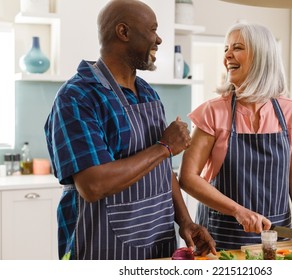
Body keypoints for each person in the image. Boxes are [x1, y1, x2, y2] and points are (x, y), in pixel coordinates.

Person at [44, 0, 216, 260]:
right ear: (123, 32)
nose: (159, 39)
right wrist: (164, 147)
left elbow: (162, 167)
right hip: (102, 249)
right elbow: (93, 185)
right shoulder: (77, 96)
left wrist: (185, 221)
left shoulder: (147, 92)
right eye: (153, 29)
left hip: (158, 242)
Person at [179, 23, 292, 250]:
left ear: (262, 57)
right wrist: (238, 211)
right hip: (220, 238)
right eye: (225, 49)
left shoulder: (291, 112)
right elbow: (188, 177)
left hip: (277, 237)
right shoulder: (213, 112)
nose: (227, 56)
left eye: (237, 48)